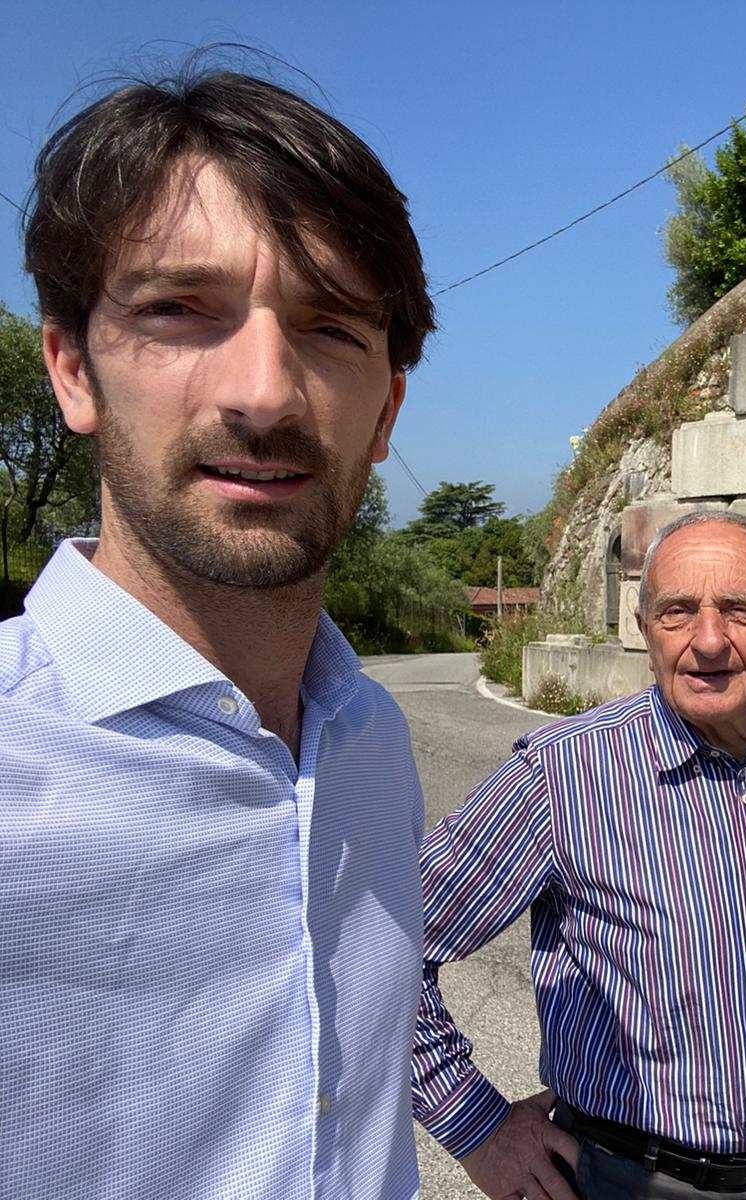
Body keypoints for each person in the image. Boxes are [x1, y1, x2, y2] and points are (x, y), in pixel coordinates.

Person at [0, 66, 437, 1197]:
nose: (265, 392)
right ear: (72, 370)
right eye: (178, 310)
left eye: (329, 326)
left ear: (385, 412)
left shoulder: (373, 745)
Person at [413, 511, 746, 1200]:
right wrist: (477, 1127)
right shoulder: (564, 775)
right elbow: (384, 948)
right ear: (644, 630)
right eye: (678, 612)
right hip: (628, 1180)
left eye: (741, 611)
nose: (709, 640)